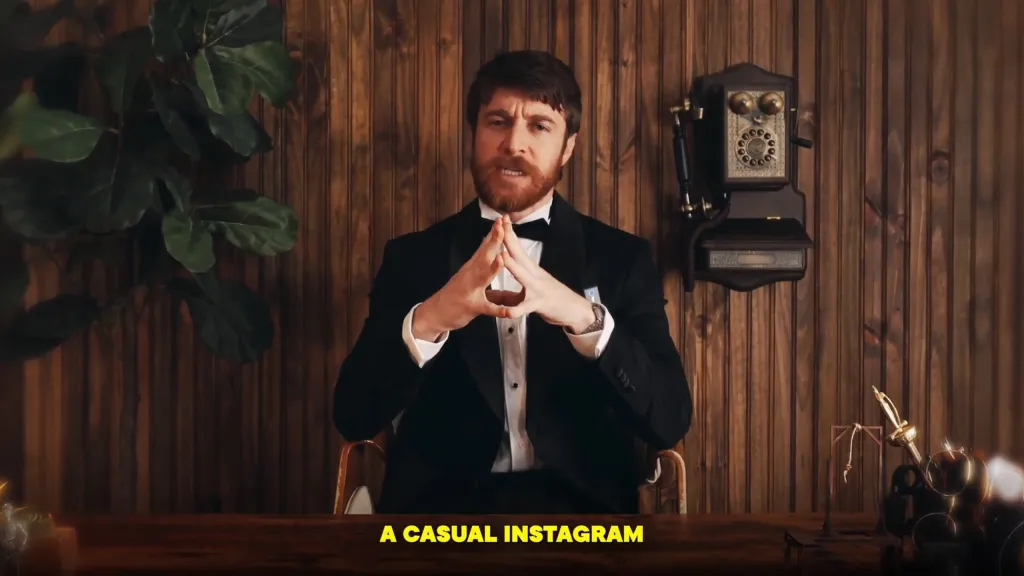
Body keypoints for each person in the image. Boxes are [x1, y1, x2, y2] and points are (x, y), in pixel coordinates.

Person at [333, 50, 692, 514]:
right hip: (439, 520)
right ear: (474, 134)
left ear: (568, 147)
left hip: (585, 519)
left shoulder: (621, 259)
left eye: (539, 126)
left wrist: (585, 319)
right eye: (498, 122)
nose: (513, 144)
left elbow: (669, 420)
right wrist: (431, 318)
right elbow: (354, 416)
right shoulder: (411, 258)